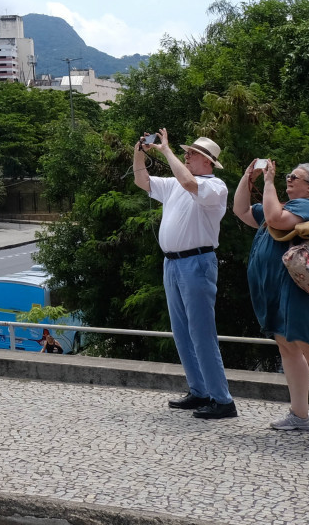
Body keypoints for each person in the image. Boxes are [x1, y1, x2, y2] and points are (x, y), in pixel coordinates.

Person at [235, 159, 309, 448]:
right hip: (279, 292)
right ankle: (300, 415)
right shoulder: (281, 205)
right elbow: (241, 211)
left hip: (303, 293)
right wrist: (247, 177)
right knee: (288, 349)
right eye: (287, 176)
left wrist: (269, 181)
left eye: (294, 177)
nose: (288, 179)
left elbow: (275, 220)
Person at [134, 129, 236, 420]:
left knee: (202, 333)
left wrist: (166, 151)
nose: (187, 156)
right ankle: (199, 391)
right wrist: (139, 150)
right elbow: (141, 180)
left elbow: (191, 183)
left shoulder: (215, 186)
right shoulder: (174, 184)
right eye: (186, 153)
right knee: (182, 332)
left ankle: (222, 399)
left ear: (207, 161)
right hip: (173, 264)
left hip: (197, 263)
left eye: (191, 154)